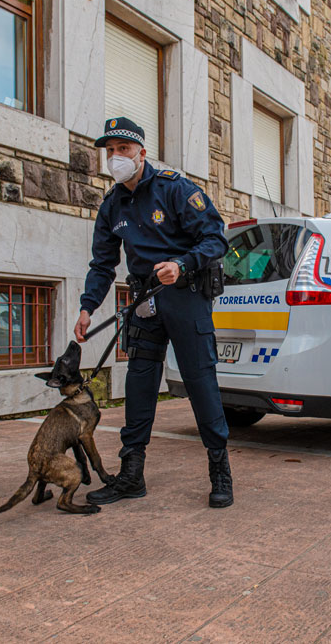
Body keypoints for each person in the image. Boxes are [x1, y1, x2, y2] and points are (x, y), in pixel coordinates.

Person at [74, 117, 234, 508]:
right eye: (110, 151)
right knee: (139, 385)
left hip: (185, 296)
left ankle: (220, 471)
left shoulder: (174, 189)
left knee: (200, 382)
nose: (116, 157)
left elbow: (216, 237)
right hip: (144, 300)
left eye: (123, 149)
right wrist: (87, 307)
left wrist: (182, 263)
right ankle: (132, 475)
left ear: (142, 152)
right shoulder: (112, 204)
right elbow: (103, 263)